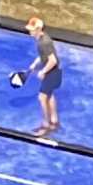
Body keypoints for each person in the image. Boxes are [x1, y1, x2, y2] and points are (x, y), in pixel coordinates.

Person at [24, 16, 64, 144]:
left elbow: (53, 60)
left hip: (52, 72)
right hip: (55, 72)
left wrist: (43, 71)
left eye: (32, 29)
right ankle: (54, 120)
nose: (30, 31)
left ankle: (46, 125)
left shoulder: (44, 42)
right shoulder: (42, 39)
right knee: (49, 95)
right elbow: (44, 56)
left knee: (42, 97)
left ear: (38, 29)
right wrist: (35, 64)